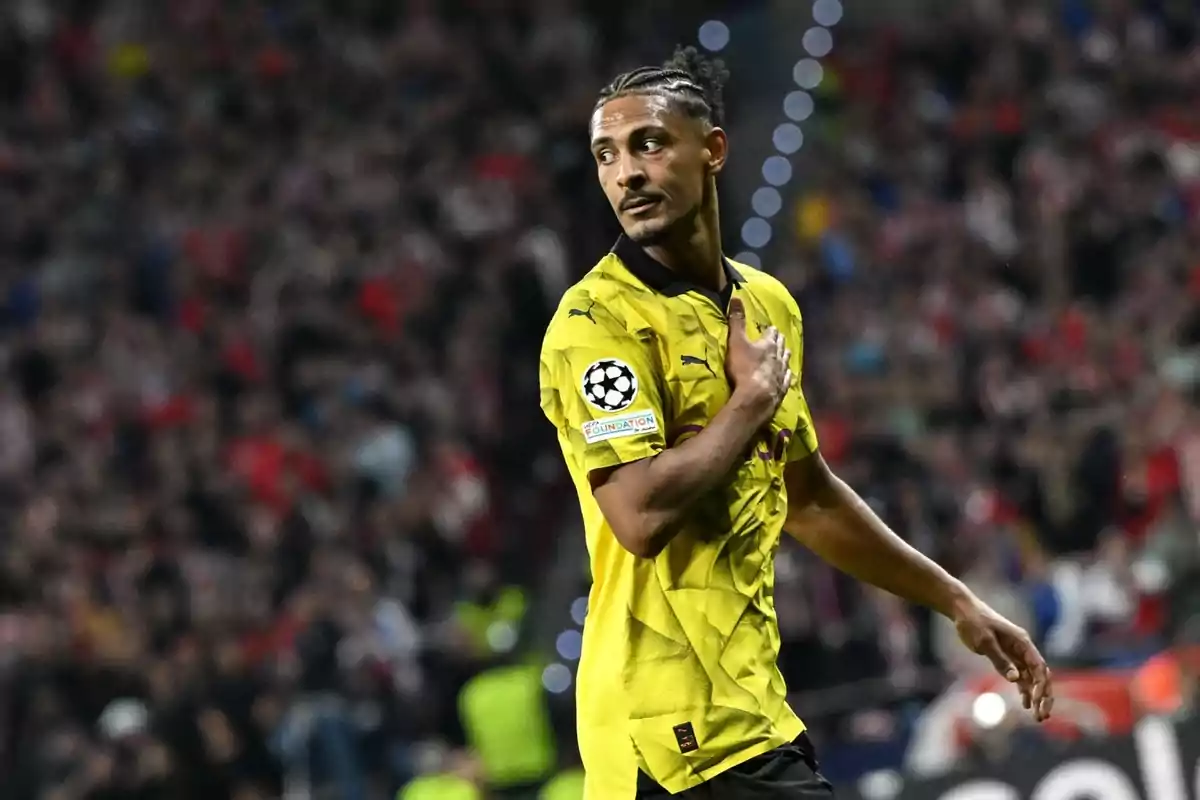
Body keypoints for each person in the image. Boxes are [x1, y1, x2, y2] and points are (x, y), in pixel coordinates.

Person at [537, 46, 1054, 799]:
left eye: (649, 143)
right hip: (667, 727)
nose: (627, 173)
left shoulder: (767, 306)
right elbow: (638, 515)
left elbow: (808, 500)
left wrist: (956, 601)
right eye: (606, 155)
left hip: (748, 707)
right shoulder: (597, 324)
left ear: (712, 149)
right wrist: (748, 402)